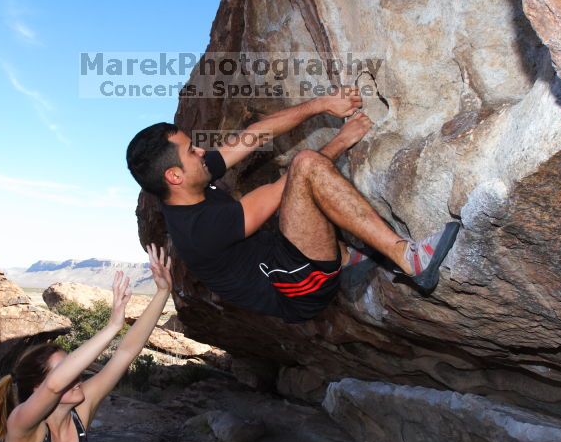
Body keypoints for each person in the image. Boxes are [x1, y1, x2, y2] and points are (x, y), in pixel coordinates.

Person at [126, 90, 459, 323]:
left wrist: (322, 104)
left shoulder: (189, 183)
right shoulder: (197, 230)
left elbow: (254, 135)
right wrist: (343, 139)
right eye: (191, 152)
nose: (201, 151)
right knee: (306, 164)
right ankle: (409, 259)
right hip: (295, 291)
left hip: (281, 258)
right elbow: (286, 188)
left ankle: (345, 258)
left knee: (300, 177)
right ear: (174, 176)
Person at [0, 244, 172, 442]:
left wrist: (163, 292)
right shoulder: (24, 425)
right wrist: (112, 326)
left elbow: (126, 352)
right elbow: (54, 384)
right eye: (68, 370)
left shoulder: (79, 413)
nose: (77, 375)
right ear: (37, 388)